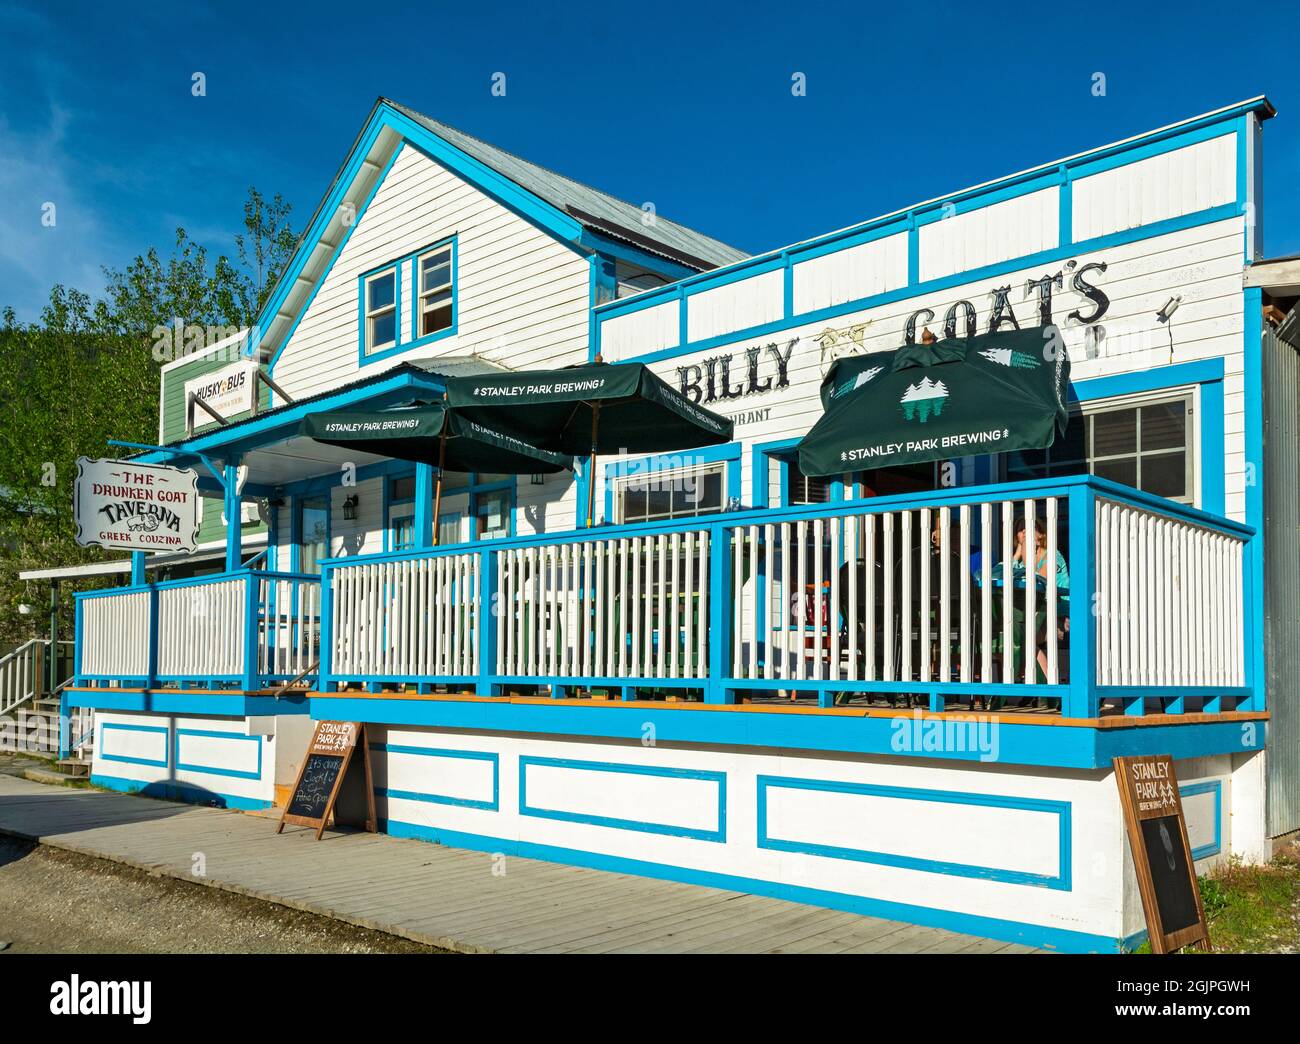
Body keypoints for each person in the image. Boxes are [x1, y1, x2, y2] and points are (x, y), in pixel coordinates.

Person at [1011, 516, 1069, 699]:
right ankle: (1037, 685)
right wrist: (1017, 555)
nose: (1025, 533)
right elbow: (1006, 577)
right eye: (1021, 530)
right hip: (1033, 615)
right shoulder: (1019, 563)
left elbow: (1038, 580)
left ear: (1041, 534)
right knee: (1017, 637)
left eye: (1030, 528)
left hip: (1057, 615)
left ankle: (1051, 688)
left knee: (1026, 639)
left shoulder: (1052, 555)